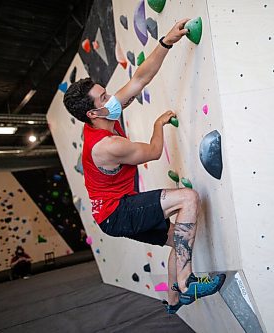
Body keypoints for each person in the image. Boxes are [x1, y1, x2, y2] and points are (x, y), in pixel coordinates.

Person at [63, 19, 225, 314]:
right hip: (117, 212)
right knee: (187, 198)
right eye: (104, 97)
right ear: (92, 112)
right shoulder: (107, 145)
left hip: (111, 214)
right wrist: (158, 124)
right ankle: (187, 284)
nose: (112, 97)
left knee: (180, 239)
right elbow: (152, 151)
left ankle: (173, 301)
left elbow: (140, 79)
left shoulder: (105, 115)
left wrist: (167, 41)